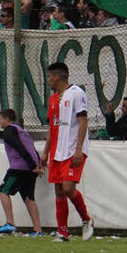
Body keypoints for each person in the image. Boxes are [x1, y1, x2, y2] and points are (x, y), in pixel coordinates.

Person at [45, 62, 93, 242]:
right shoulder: (53, 99)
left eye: (50, 76)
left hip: (73, 150)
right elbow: (52, 127)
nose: (48, 80)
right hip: (58, 151)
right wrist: (45, 152)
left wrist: (79, 149)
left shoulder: (77, 93)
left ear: (58, 77)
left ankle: (87, 220)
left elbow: (83, 121)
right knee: (59, 190)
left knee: (67, 188)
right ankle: (63, 233)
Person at [0, 108, 44, 235]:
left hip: (20, 168)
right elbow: (32, 149)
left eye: (0, 119)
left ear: (6, 119)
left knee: (3, 191)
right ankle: (37, 230)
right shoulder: (23, 132)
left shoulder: (9, 130)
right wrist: (37, 166)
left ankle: (10, 223)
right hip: (31, 169)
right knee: (29, 198)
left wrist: (32, 165)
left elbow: (19, 147)